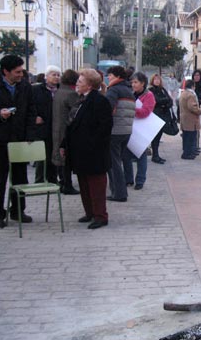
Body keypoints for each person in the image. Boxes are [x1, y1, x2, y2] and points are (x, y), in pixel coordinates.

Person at [60, 69, 113, 230]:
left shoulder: (99, 101)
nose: (77, 84)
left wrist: (91, 145)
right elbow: (71, 125)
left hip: (93, 153)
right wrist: (64, 144)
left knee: (96, 186)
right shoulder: (80, 100)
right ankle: (89, 212)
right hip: (79, 152)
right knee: (84, 184)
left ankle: (100, 216)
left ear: (89, 85)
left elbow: (104, 128)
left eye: (80, 82)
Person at [0, 55, 36, 227]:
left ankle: (18, 211)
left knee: (20, 178)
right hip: (1, 139)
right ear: (6, 71)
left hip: (20, 139)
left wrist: (29, 135)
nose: (21, 75)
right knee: (0, 178)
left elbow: (31, 111)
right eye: (17, 72)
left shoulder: (25, 87)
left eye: (22, 71)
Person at [105, 66, 136, 202]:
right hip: (126, 131)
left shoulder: (113, 90)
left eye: (110, 75)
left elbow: (107, 110)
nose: (108, 78)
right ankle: (119, 192)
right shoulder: (128, 90)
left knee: (113, 163)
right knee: (119, 161)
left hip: (115, 130)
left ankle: (119, 193)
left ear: (117, 76)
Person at [122, 72, 155, 190]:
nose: (133, 84)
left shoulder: (149, 95)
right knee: (125, 155)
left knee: (140, 155)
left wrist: (130, 109)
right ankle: (128, 179)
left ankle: (140, 180)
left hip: (142, 129)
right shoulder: (131, 94)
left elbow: (145, 112)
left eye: (135, 82)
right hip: (129, 127)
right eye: (132, 82)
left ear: (143, 83)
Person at [51, 69, 80, 195]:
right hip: (65, 129)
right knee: (66, 158)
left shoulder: (59, 92)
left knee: (59, 156)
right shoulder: (71, 94)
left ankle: (62, 181)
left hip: (56, 127)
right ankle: (67, 184)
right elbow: (76, 112)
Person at [33, 65, 61, 184]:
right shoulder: (36, 90)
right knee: (42, 155)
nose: (56, 77)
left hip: (56, 127)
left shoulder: (61, 90)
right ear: (46, 76)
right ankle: (39, 180)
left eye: (58, 75)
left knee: (54, 154)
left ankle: (53, 179)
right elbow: (31, 104)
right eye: (53, 75)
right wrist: (35, 116)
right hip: (42, 126)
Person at [148, 73, 173, 164]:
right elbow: (156, 101)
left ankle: (156, 155)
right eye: (155, 79)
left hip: (164, 115)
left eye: (158, 79)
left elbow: (170, 101)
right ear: (152, 81)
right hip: (155, 116)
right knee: (155, 136)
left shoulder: (163, 90)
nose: (157, 81)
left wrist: (165, 103)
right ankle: (155, 156)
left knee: (159, 137)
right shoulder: (150, 90)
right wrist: (164, 102)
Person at [179, 79, 201, 160]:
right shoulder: (190, 95)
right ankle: (188, 154)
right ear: (192, 86)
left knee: (186, 137)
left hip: (184, 118)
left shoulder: (183, 93)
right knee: (190, 137)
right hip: (190, 119)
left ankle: (186, 152)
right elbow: (192, 107)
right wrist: (199, 111)